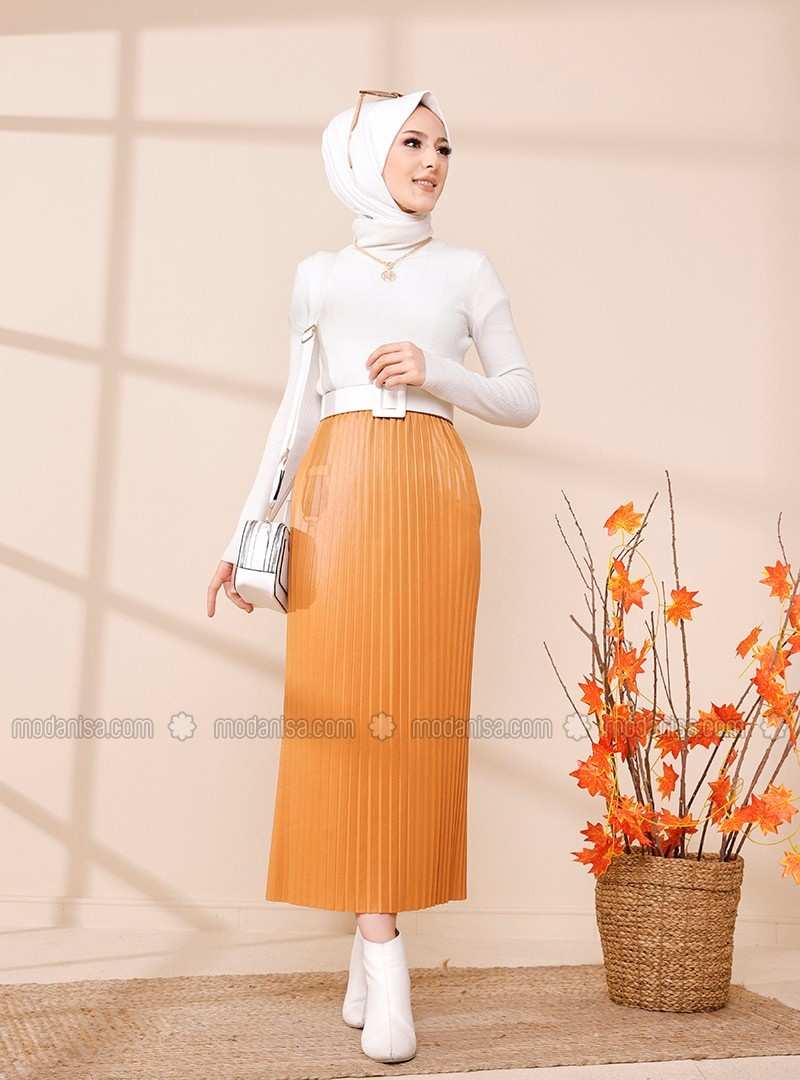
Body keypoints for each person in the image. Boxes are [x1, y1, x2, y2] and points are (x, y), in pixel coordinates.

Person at [207, 88, 541, 1064]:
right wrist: (245, 530)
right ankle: (382, 950)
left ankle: (372, 942)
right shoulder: (318, 277)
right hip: (339, 492)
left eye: (443, 147)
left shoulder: (467, 270)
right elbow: (295, 412)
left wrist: (437, 371)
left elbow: (521, 397)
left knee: (416, 711)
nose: (432, 161)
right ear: (365, 157)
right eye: (412, 142)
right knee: (350, 713)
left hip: (434, 491)